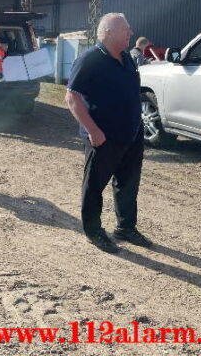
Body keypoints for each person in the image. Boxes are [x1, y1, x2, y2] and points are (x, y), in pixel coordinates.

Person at [65, 13, 152, 254]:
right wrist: (93, 130)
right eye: (126, 29)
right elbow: (72, 98)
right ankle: (93, 231)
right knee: (94, 186)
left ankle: (126, 228)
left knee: (128, 184)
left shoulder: (127, 58)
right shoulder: (90, 59)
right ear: (109, 32)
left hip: (131, 135)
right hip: (103, 137)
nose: (131, 33)